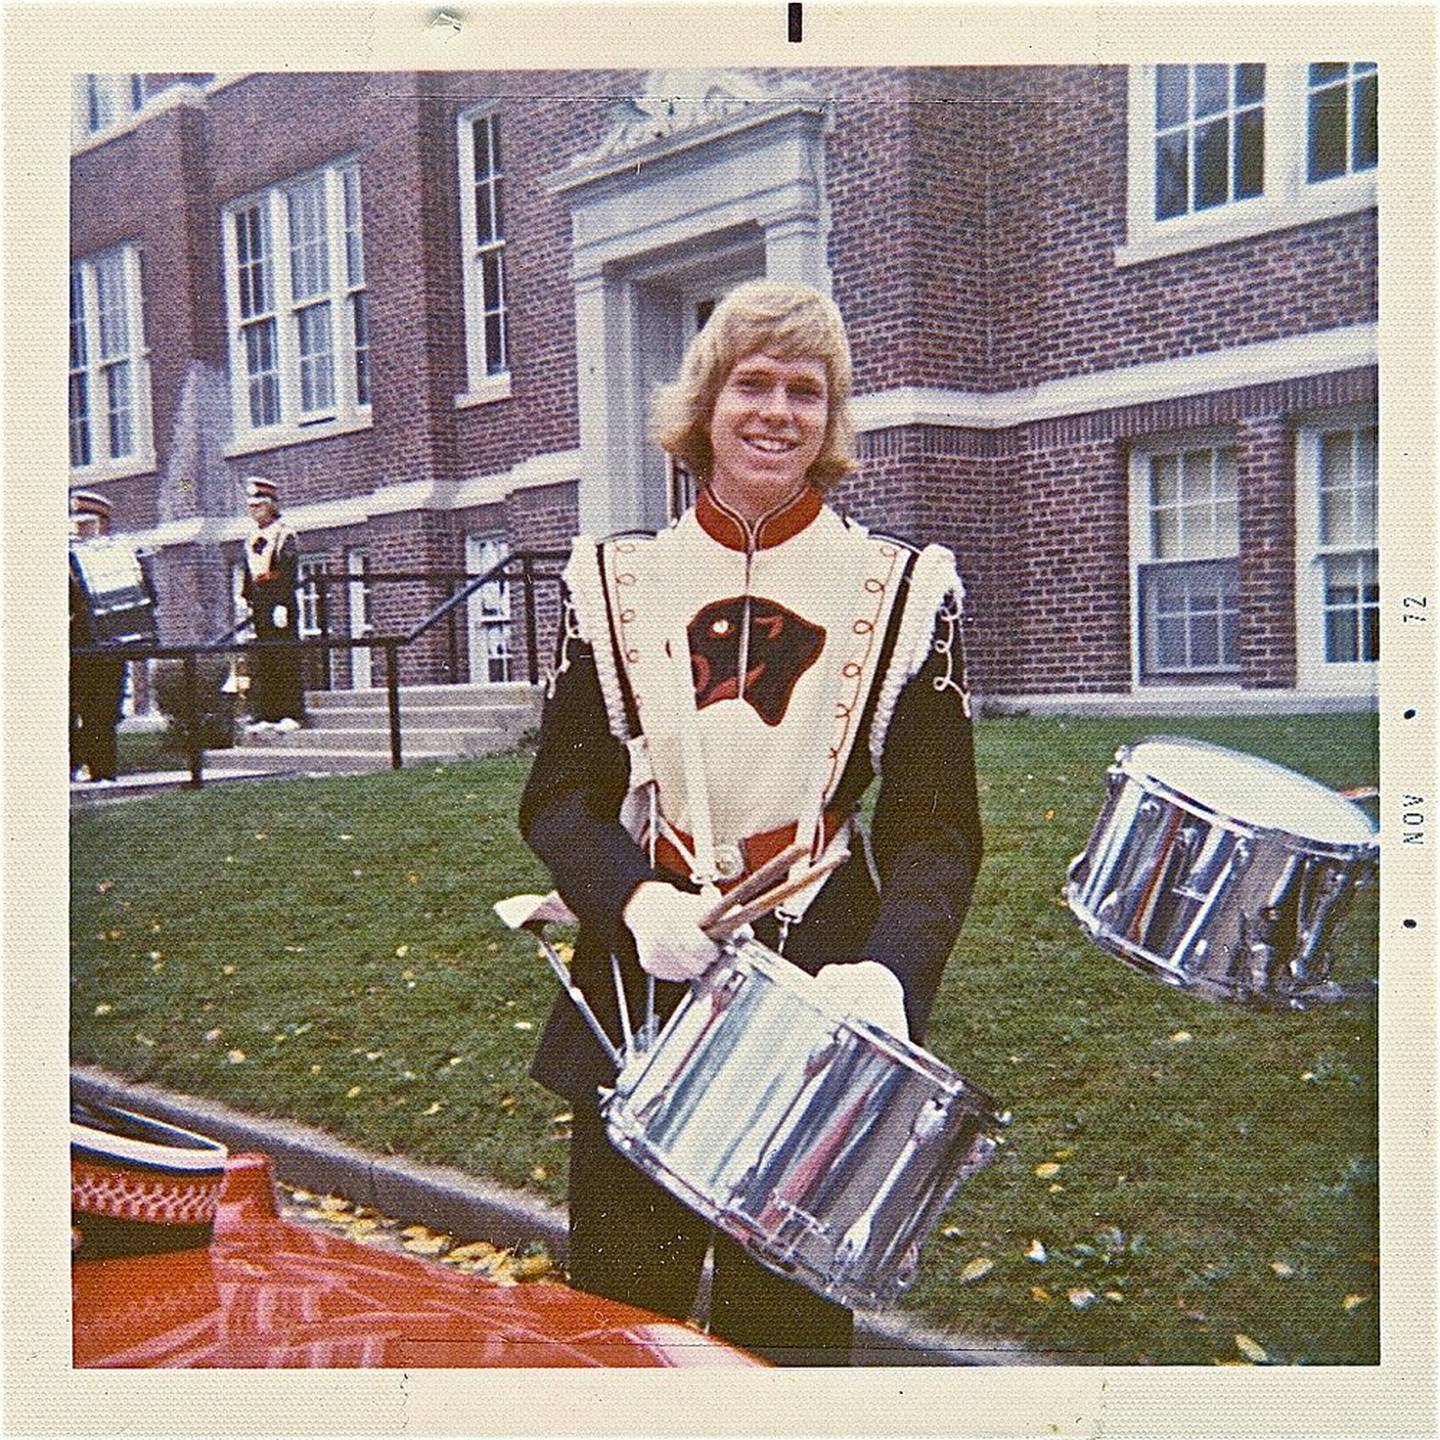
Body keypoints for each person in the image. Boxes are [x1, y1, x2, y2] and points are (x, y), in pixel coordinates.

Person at [518, 281, 984, 1366]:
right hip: (645, 989)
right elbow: (560, 797)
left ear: (832, 420)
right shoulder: (616, 581)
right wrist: (634, 899)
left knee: (785, 1348)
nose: (778, 412)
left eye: (806, 392)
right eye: (753, 384)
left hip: (817, 991)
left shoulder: (904, 590)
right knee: (627, 1330)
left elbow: (935, 829)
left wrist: (891, 974)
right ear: (706, 405)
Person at [69, 491, 128, 785]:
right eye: (76, 522)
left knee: (104, 711)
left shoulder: (119, 556)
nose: (80, 529)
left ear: (103, 524)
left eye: (88, 523)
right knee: (75, 709)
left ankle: (103, 770)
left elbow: (143, 595)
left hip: (110, 647)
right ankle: (77, 765)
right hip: (76, 648)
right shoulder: (66, 560)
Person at [240, 477, 304, 733]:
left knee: (284, 657)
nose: (254, 510)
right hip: (259, 603)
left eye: (259, 505)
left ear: (271, 506)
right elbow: (248, 572)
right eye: (251, 506)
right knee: (264, 659)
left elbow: (287, 570)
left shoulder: (284, 534)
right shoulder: (251, 537)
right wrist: (245, 599)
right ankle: (267, 713)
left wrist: (281, 602)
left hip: (280, 602)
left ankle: (291, 712)